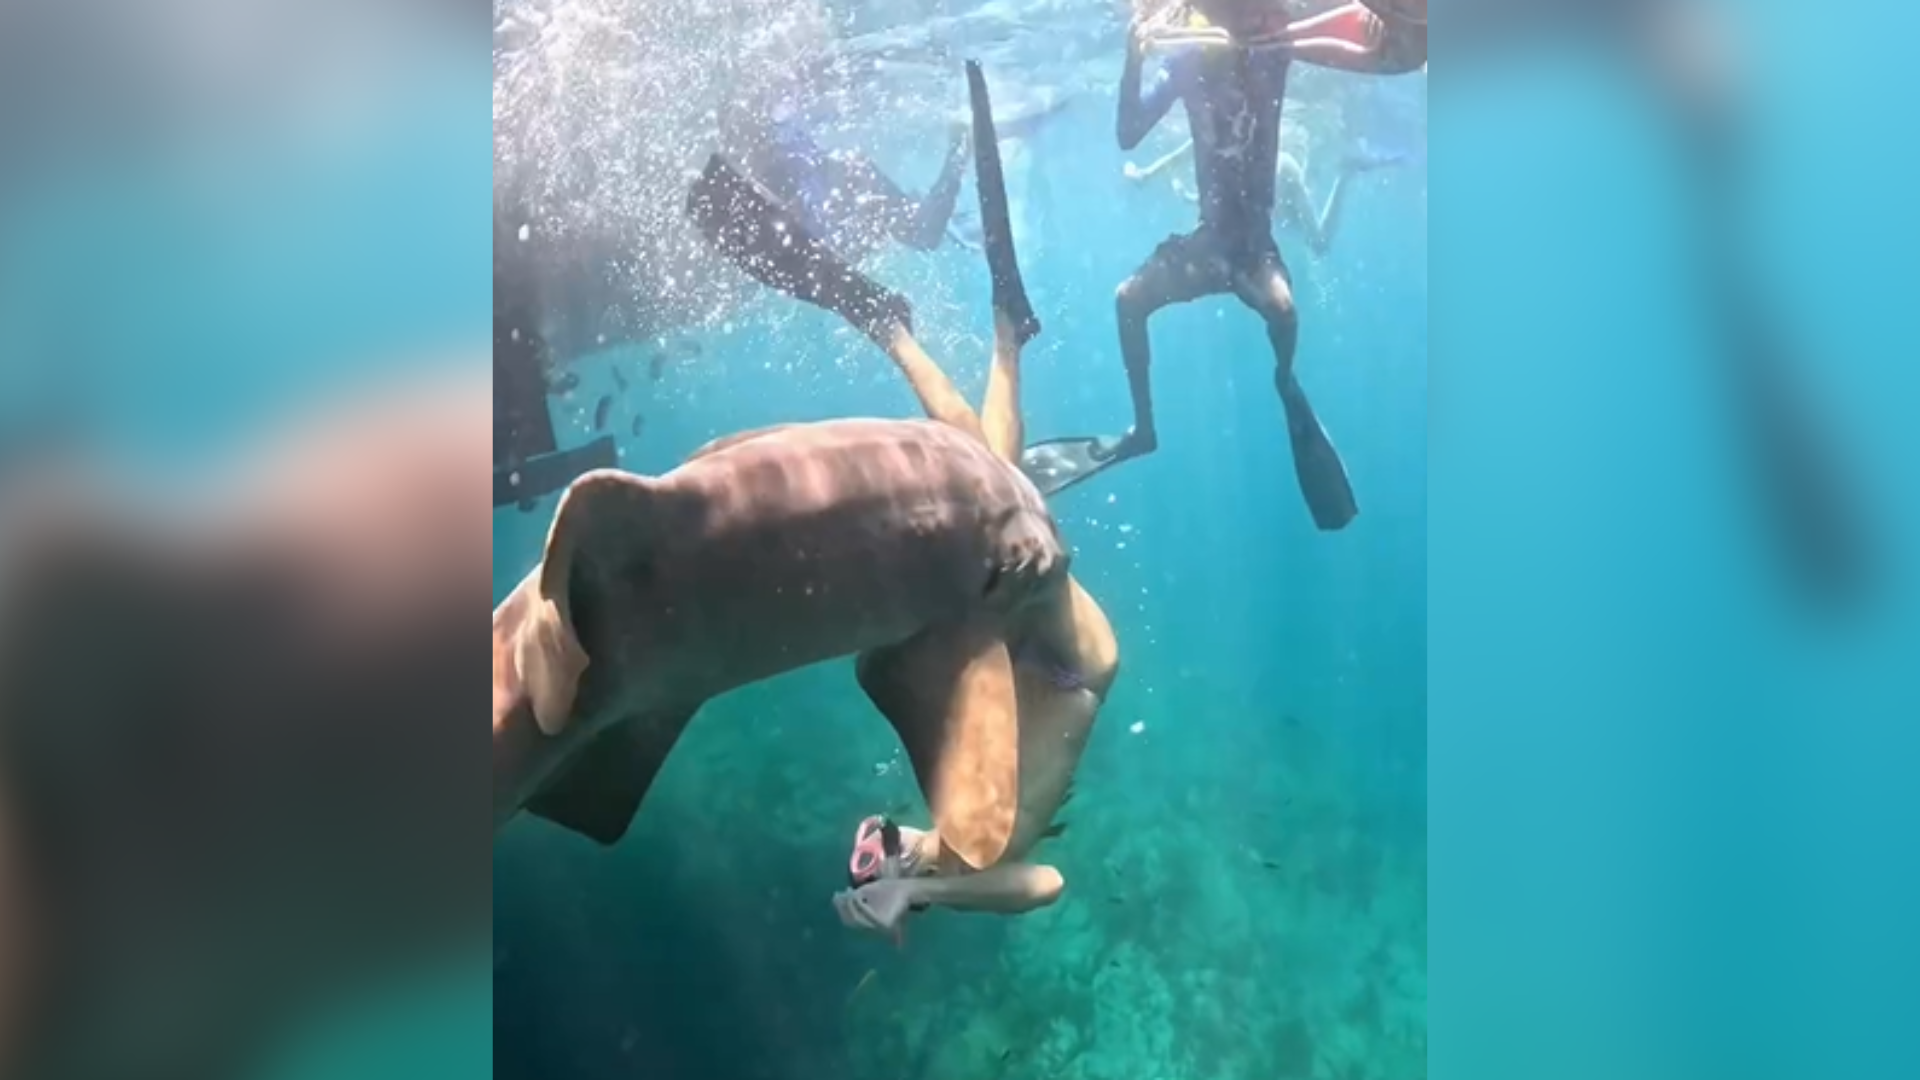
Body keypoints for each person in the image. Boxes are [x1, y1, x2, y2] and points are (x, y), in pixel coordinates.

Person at [1017, 0, 1427, 531]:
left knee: (1283, 312)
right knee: (1127, 301)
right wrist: (1133, 55)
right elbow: (1127, 133)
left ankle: (1286, 385)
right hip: (1210, 247)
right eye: (1249, 13)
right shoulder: (1189, 58)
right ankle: (1142, 431)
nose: (1260, 21)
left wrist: (1382, 24)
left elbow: (1405, 52)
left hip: (1253, 251)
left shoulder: (1274, 51)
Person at [1123, 133, 1406, 256]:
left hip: (1276, 174)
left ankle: (1345, 173)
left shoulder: (1218, 141)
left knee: (1316, 244)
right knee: (1317, 244)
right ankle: (1345, 173)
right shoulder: (1223, 148)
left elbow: (1191, 155)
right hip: (1278, 173)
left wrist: (1148, 176)